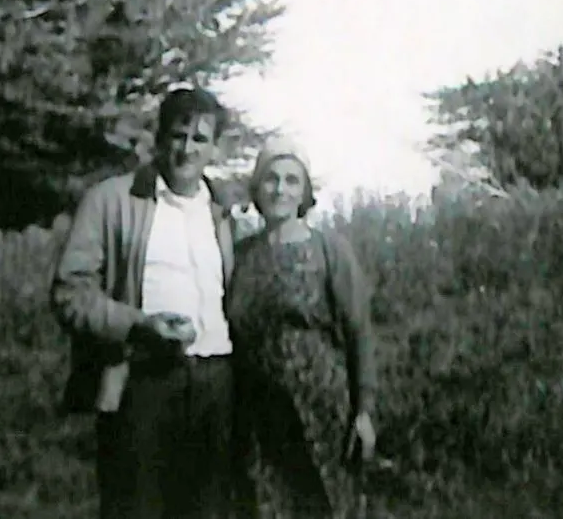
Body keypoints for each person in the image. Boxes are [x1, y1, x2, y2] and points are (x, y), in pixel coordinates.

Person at [50, 86, 238, 519]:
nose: (186, 149)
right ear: (159, 138)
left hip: (215, 385)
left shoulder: (222, 212)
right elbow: (69, 292)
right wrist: (138, 324)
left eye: (199, 139)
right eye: (178, 135)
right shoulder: (111, 200)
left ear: (214, 148)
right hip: (141, 381)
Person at [227, 136, 377, 519]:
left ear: (305, 191)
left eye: (292, 180)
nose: (281, 189)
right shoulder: (239, 255)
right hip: (259, 422)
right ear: (257, 188)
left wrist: (364, 412)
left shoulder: (330, 250)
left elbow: (358, 331)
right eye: (271, 179)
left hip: (322, 413)